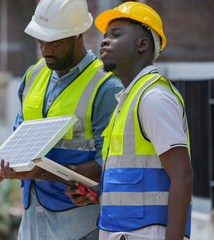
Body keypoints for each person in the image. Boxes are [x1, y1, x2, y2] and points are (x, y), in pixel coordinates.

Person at [0, 0, 123, 239]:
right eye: (40, 41)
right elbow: (20, 140)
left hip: (79, 221)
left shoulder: (105, 87)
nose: (45, 50)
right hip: (31, 216)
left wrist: (43, 172)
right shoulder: (33, 75)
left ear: (78, 34)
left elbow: (110, 163)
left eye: (54, 42)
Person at [65, 2, 193, 240]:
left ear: (142, 44)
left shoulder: (153, 98)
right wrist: (98, 194)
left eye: (116, 35)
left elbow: (182, 175)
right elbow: (135, 177)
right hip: (123, 231)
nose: (104, 41)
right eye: (104, 36)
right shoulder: (128, 101)